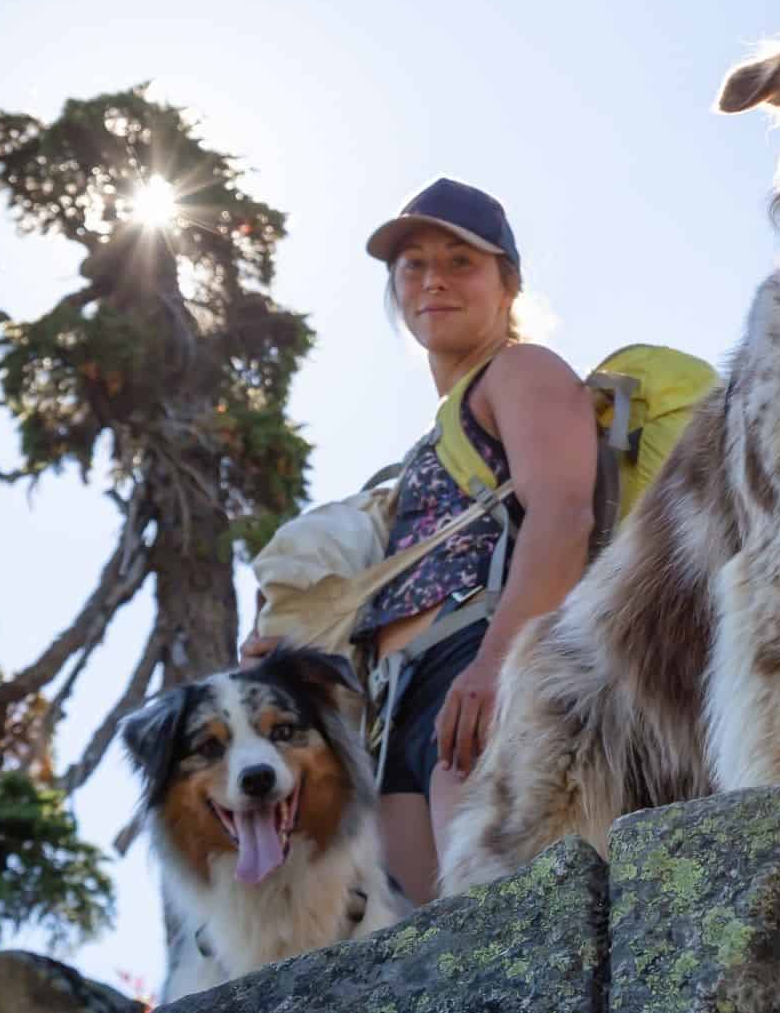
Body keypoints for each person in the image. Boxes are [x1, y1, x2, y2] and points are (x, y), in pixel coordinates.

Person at [243, 177, 596, 904]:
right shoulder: (422, 451)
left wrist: (502, 664)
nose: (433, 279)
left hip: (482, 663)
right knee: (430, 948)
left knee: (506, 918)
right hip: (397, 707)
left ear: (508, 286)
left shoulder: (521, 371)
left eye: (461, 261)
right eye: (413, 265)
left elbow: (564, 513)